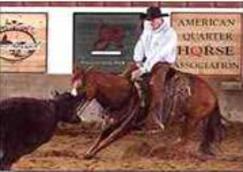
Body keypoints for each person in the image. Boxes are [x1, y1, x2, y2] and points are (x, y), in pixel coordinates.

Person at [129, 6, 178, 130]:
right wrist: (138, 60)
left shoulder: (170, 33)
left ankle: (155, 120)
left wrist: (143, 69)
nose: (151, 22)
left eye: (154, 19)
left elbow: (159, 54)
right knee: (125, 76)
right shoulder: (148, 29)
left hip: (161, 64)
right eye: (150, 19)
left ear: (160, 19)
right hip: (146, 62)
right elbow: (141, 44)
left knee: (156, 85)